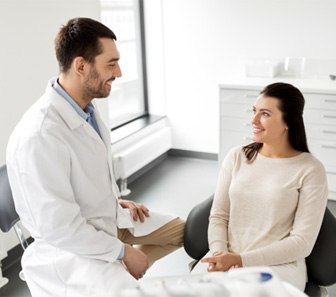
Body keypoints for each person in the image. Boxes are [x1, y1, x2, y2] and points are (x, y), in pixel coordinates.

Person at [6, 17, 184, 297]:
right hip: (71, 252)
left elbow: (87, 173)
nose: (120, 72)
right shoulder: (39, 136)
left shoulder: (85, 109)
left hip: (106, 218)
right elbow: (60, 228)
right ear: (81, 66)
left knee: (184, 232)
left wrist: (112, 200)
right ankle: (125, 271)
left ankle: (128, 267)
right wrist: (122, 252)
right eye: (111, 64)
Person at [195, 82, 328, 291]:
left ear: (288, 122)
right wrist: (219, 255)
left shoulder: (310, 169)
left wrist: (240, 260)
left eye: (264, 114)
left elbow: (302, 242)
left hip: (279, 266)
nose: (253, 120)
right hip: (226, 257)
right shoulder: (237, 156)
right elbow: (219, 215)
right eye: (254, 111)